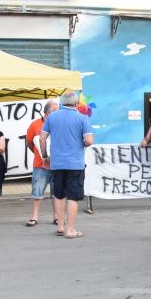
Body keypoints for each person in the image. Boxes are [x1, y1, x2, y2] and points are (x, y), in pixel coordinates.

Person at [40, 91, 93, 239]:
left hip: (56, 163)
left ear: (62, 103)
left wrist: (45, 156)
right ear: (77, 104)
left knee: (58, 195)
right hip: (75, 163)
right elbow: (89, 141)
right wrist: (80, 143)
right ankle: (70, 230)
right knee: (73, 197)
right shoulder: (82, 118)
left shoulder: (51, 117)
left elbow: (42, 138)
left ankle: (61, 226)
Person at [25, 99, 59, 227]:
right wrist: (39, 154)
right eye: (55, 111)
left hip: (57, 165)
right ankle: (34, 217)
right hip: (40, 165)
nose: (58, 114)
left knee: (57, 192)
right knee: (37, 191)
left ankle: (57, 217)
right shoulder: (34, 125)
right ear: (46, 113)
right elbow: (29, 142)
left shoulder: (59, 125)